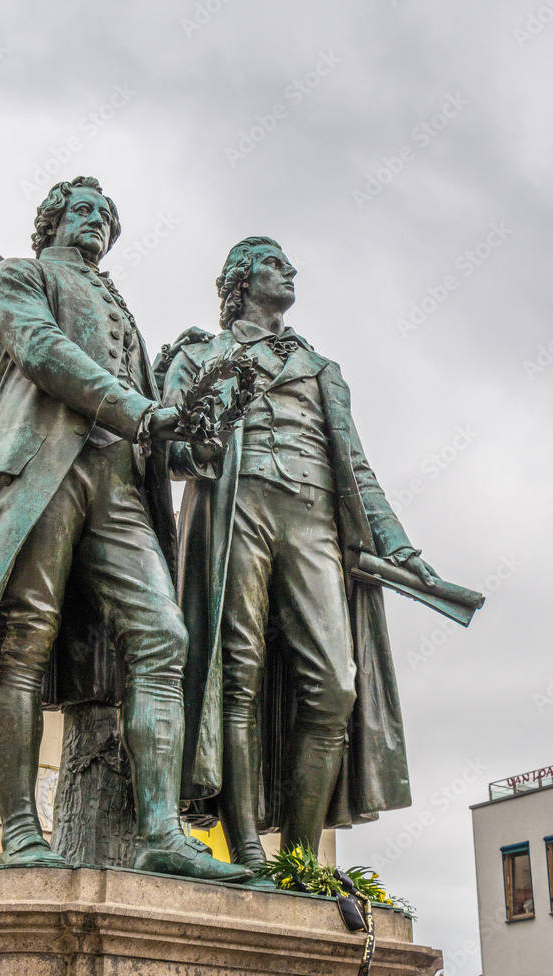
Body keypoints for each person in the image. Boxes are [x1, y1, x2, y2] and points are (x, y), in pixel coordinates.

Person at [0, 177, 250, 883]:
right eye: (83, 209)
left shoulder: (124, 314)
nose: (97, 221)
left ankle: (161, 832)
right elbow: (44, 353)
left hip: (119, 479)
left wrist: (195, 440)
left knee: (164, 635)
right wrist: (140, 409)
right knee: (23, 645)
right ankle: (20, 833)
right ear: (50, 221)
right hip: (41, 466)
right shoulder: (19, 277)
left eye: (107, 215)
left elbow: (150, 422)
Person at [162, 236, 437, 882]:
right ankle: (250, 852)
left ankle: (302, 860)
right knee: (237, 675)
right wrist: (203, 440)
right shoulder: (199, 353)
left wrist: (398, 544)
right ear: (239, 279)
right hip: (238, 510)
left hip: (313, 518)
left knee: (335, 688)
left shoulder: (321, 369)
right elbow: (164, 450)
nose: (289, 272)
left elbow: (359, 471)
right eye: (273, 262)